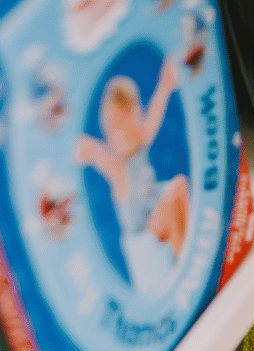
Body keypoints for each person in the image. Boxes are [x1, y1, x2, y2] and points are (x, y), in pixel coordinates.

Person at [74, 60, 189, 291]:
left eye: (131, 118)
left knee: (179, 185)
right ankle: (187, 266)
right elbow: (95, 153)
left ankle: (187, 247)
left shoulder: (139, 147)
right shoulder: (119, 171)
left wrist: (165, 86)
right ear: (109, 134)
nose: (127, 131)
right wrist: (83, 149)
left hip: (156, 223)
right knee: (172, 197)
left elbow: (154, 113)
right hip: (143, 237)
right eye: (118, 127)